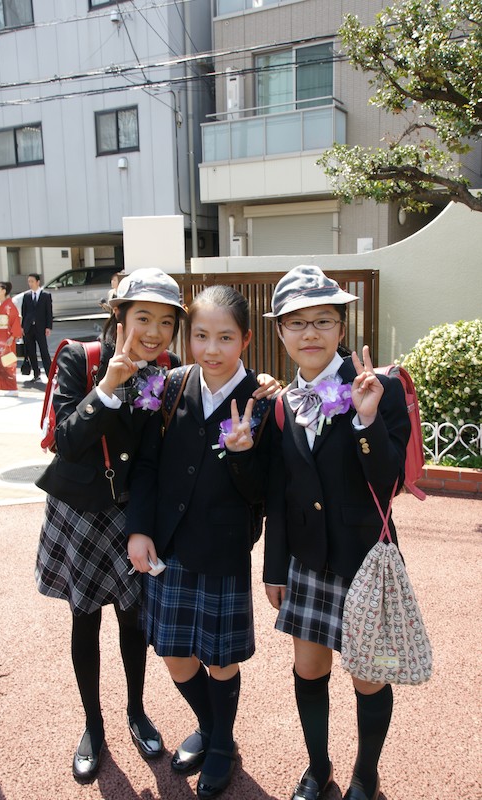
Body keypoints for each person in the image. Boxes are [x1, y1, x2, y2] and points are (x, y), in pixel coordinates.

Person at [262, 265, 411, 800]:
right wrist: (274, 568)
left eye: (323, 321)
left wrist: (367, 421)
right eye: (297, 323)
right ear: (281, 332)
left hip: (363, 558)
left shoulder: (377, 387)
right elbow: (280, 493)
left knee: (369, 675)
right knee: (308, 668)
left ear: (342, 328)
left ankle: (365, 774)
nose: (310, 334)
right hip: (307, 560)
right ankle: (318, 766)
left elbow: (390, 481)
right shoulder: (282, 403)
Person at [34, 268, 185, 783]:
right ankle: (93, 725)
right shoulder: (80, 358)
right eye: (143, 317)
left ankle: (136, 711)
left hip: (132, 513)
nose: (154, 333)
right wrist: (107, 388)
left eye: (166, 322)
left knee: (133, 618)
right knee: (85, 619)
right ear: (118, 315)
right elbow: (66, 441)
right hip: (80, 510)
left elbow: (158, 452)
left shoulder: (169, 369)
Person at [126, 285, 273, 799]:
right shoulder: (170, 385)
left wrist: (243, 455)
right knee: (174, 654)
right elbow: (147, 466)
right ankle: (214, 730)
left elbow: (264, 492)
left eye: (225, 337)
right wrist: (139, 529)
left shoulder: (261, 400)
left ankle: (220, 745)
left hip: (223, 549)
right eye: (201, 335)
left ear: (246, 340)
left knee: (221, 660)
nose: (212, 349)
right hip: (168, 546)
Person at [21, 273, 53, 382]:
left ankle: (50, 375)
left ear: (38, 282)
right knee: (31, 352)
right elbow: (24, 312)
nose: (30, 283)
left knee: (44, 351)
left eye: (32, 281)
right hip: (28, 327)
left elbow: (49, 312)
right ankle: (36, 373)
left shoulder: (46, 295)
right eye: (29, 281)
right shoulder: (26, 295)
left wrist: (48, 327)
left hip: (41, 327)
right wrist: (22, 327)